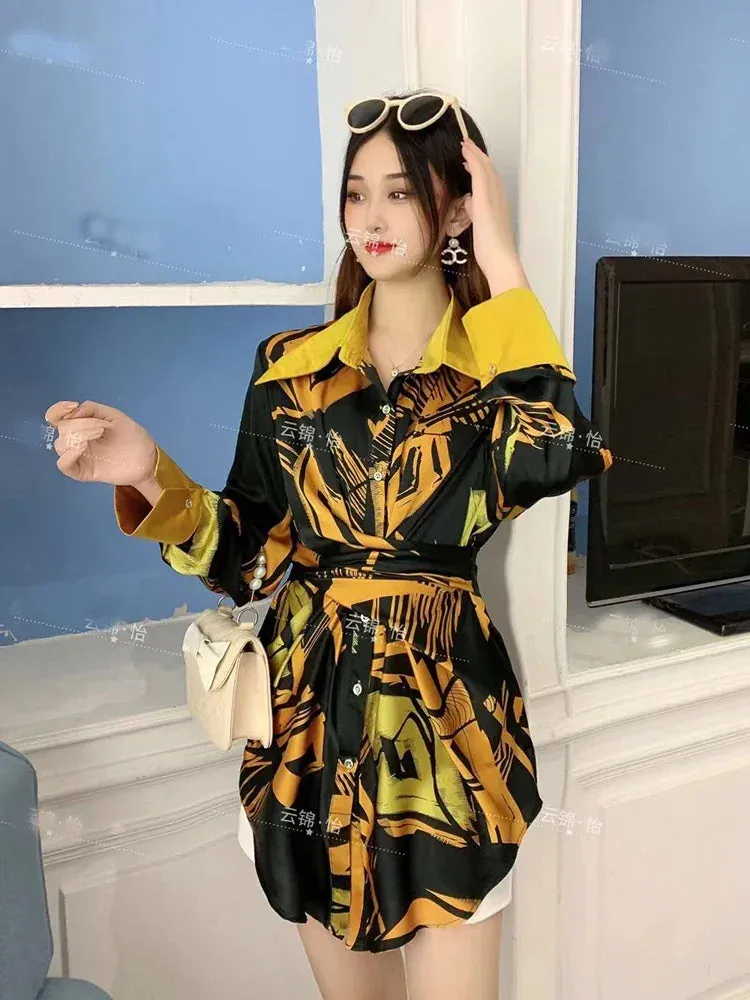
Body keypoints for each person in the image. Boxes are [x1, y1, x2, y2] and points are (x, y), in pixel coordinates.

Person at [45, 90, 613, 1000]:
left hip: (447, 746)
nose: (371, 219)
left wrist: (501, 257)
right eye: (357, 194)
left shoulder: (495, 372)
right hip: (306, 737)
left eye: (402, 192)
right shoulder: (291, 369)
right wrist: (152, 475)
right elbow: (252, 557)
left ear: (458, 208)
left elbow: (557, 449)